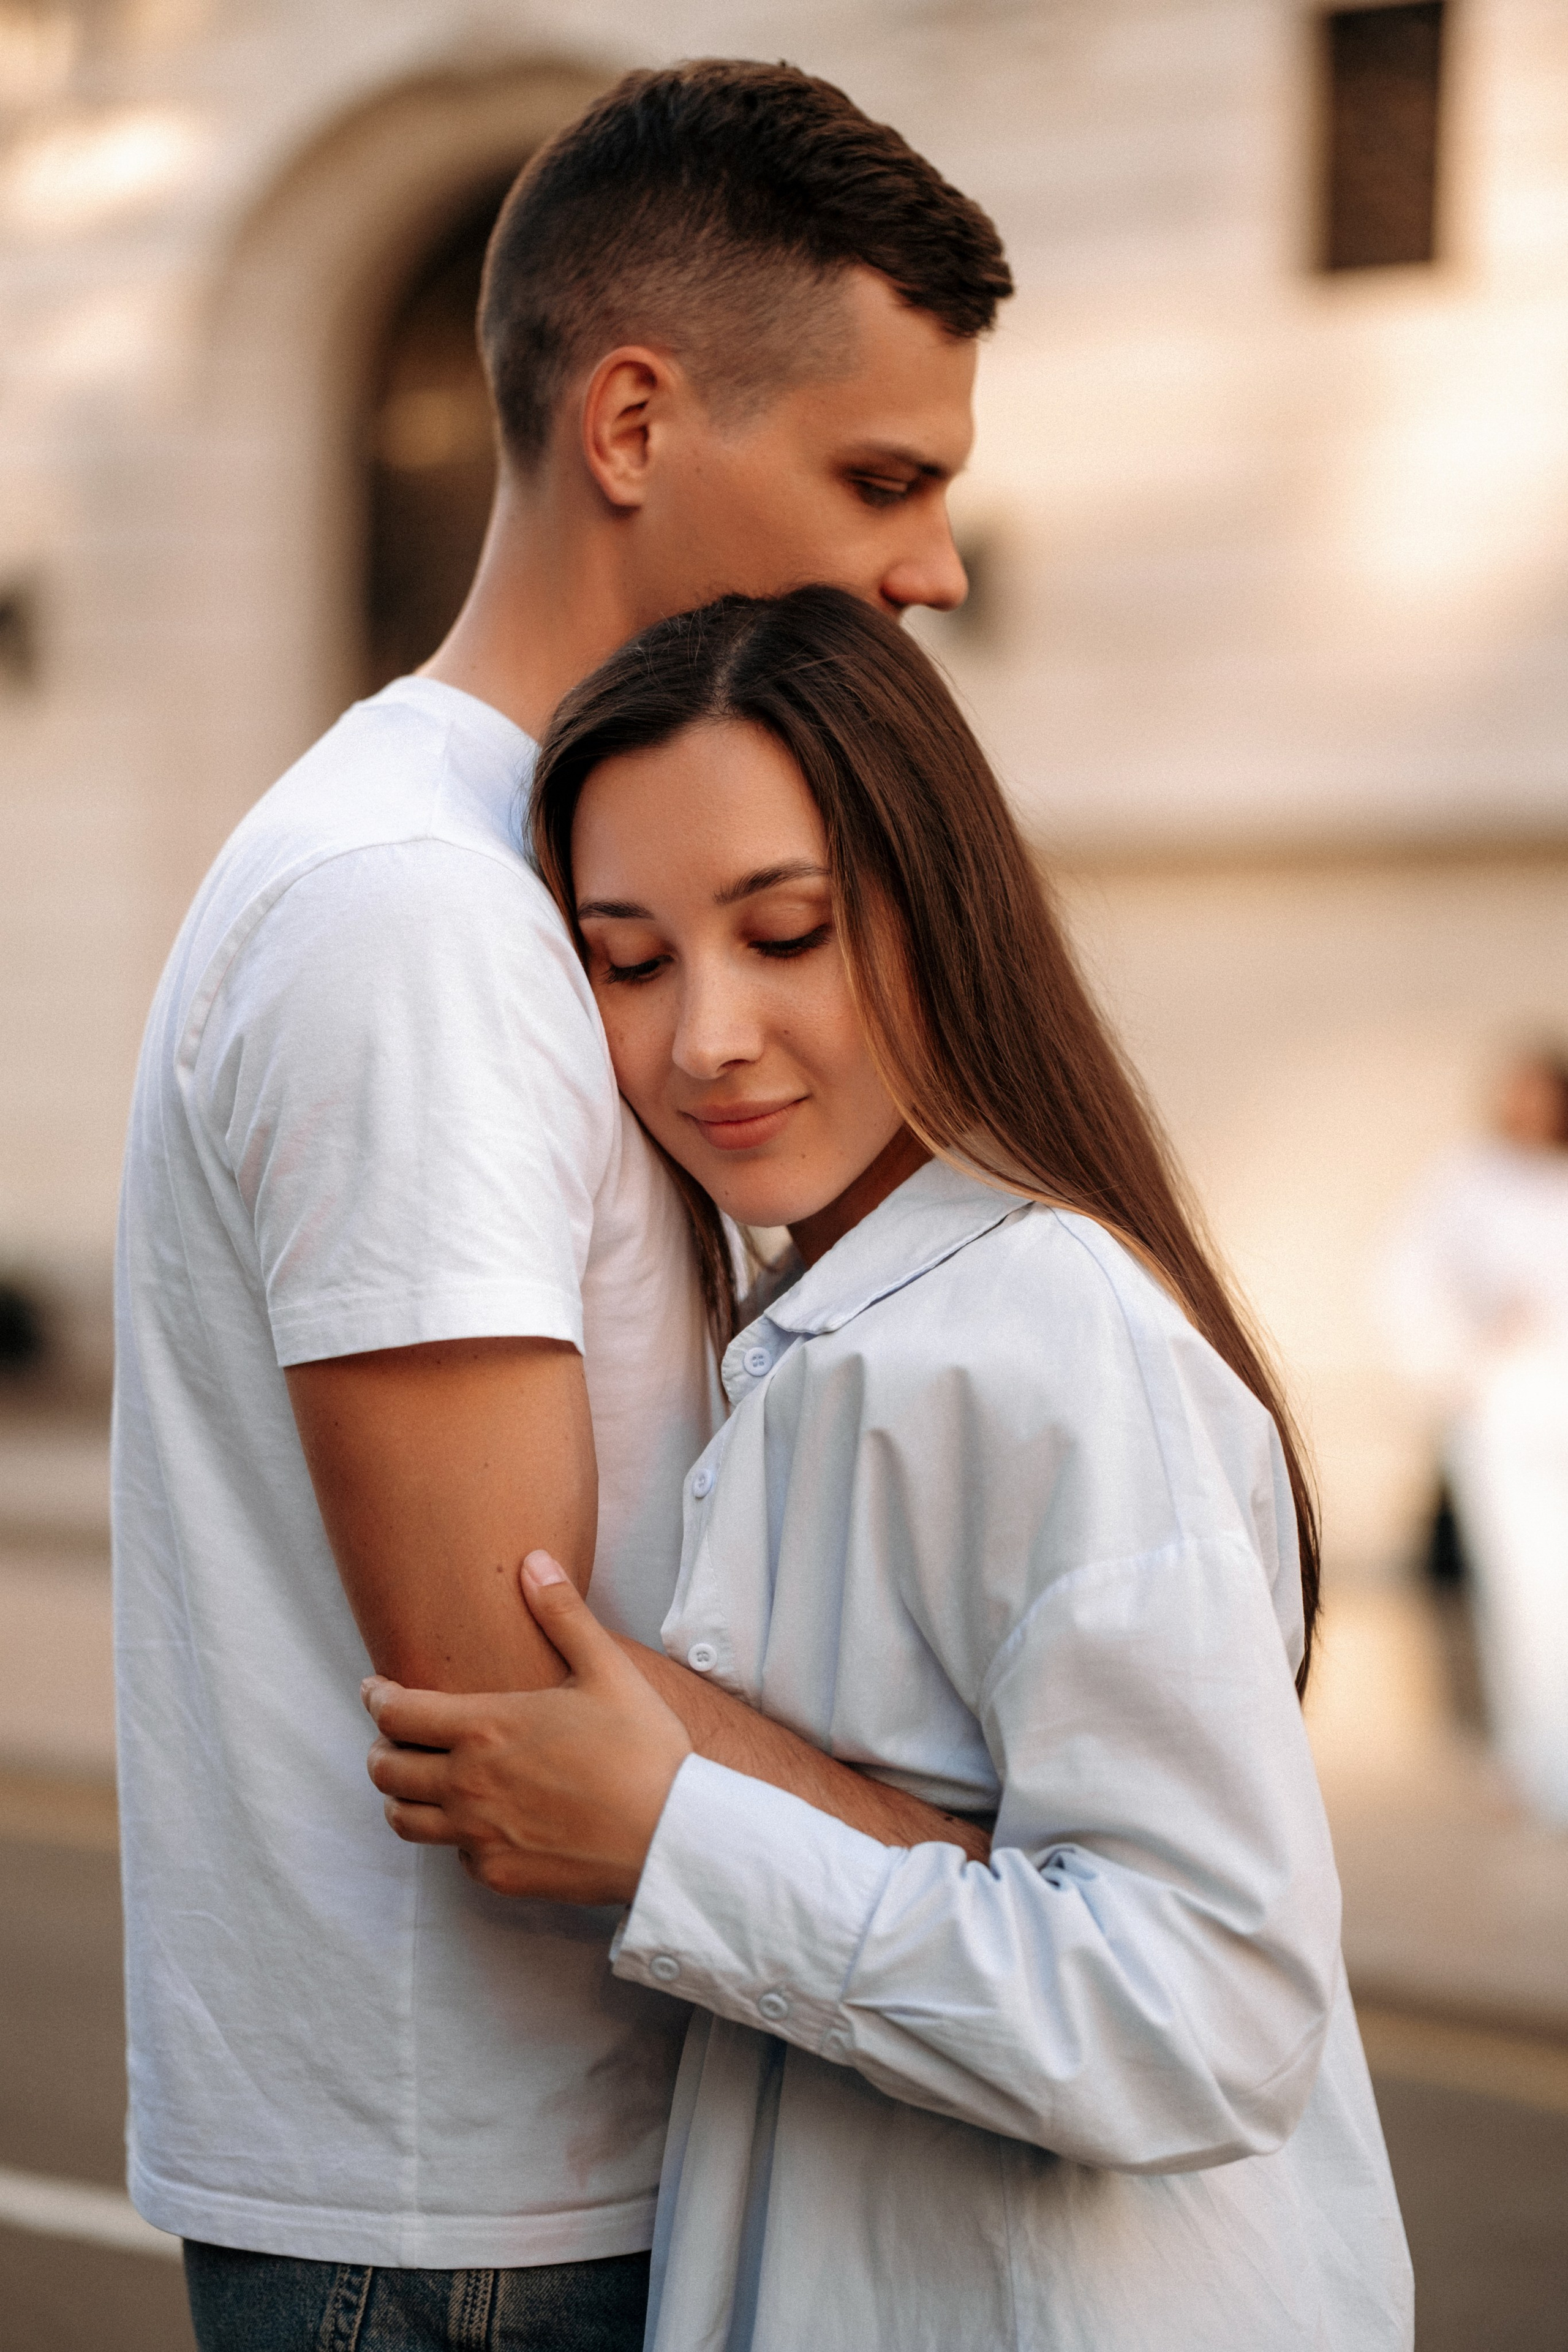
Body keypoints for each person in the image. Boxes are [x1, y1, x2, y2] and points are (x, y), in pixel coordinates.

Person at [112, 64, 1011, 2351]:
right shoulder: (414, 917)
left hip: (580, 2174)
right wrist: (1019, 1894)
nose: (932, 565)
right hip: (475, 2227)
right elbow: (518, 1726)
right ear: (631, 424)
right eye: (878, 478)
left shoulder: (574, 873)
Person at [365, 588, 1414, 2350]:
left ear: (946, 913)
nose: (706, 1035)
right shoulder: (828, 1322)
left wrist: (673, 1834)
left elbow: (1207, 2010)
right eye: (628, 961)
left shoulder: (1048, 1328)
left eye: (787, 933)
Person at [1382, 1047, 1568, 1823]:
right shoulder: (1465, 1181)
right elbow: (1405, 1282)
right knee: (1528, 1594)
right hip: (1506, 1416)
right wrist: (1467, 1354)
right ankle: (1541, 1761)